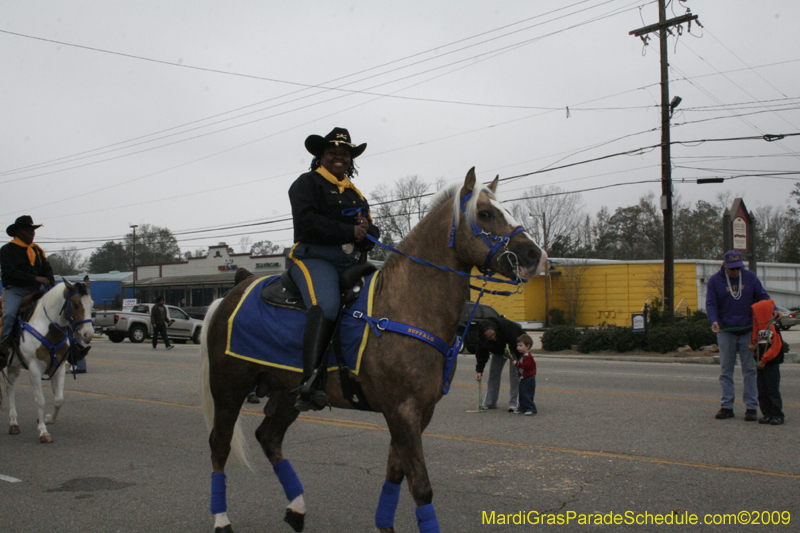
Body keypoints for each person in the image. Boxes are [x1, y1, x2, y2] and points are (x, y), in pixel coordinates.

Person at [288, 127, 380, 411]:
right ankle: (310, 383)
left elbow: (371, 228)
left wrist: (367, 229)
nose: (339, 158)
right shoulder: (307, 184)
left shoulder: (355, 194)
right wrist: (349, 231)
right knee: (326, 305)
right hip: (313, 257)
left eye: (345, 154)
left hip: (350, 261)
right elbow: (307, 224)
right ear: (321, 157)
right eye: (333, 153)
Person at [706, 250, 779, 421]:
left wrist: (773, 309)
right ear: (724, 265)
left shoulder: (750, 277)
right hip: (726, 332)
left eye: (738, 268)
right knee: (726, 370)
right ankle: (727, 406)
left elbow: (763, 297)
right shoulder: (715, 281)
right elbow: (711, 303)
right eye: (731, 268)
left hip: (747, 330)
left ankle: (751, 407)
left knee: (750, 370)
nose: (735, 271)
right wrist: (714, 320)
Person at [0, 216, 55, 371]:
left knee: (60, 311)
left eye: (32, 230)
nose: (31, 233)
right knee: (9, 315)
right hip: (15, 291)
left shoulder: (38, 251)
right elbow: (10, 273)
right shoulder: (7, 250)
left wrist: (50, 283)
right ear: (17, 231)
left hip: (36, 291)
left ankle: (72, 348)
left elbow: (48, 270)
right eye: (27, 230)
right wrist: (35, 277)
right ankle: (2, 348)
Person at [474, 316, 524, 412]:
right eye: (489, 337)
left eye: (493, 335)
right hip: (498, 350)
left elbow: (515, 343)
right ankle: (490, 402)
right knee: (493, 374)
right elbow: (481, 354)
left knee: (514, 374)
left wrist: (519, 362)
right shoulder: (482, 341)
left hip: (515, 347)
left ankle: (514, 403)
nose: (493, 338)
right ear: (484, 337)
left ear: (495, 330)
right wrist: (479, 370)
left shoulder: (505, 326)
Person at [749, 299, 785, 425]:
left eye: (757, 314)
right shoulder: (757, 329)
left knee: (772, 390)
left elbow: (776, 347)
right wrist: (752, 347)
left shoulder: (773, 328)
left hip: (770, 364)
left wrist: (764, 359)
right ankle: (767, 414)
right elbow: (755, 342)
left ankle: (777, 414)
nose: (755, 316)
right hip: (760, 364)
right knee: (762, 391)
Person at [512, 334, 537, 416]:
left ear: (528, 346)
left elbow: (527, 366)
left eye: (521, 345)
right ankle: (522, 407)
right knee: (521, 393)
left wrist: (518, 364)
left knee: (527, 394)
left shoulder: (527, 356)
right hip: (523, 378)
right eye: (518, 345)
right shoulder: (523, 356)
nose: (518, 347)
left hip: (529, 378)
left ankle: (531, 408)